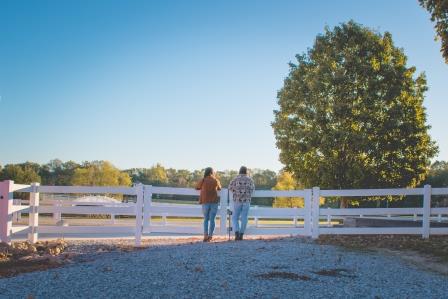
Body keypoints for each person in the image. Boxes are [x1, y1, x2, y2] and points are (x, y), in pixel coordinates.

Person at [228, 166, 255, 241]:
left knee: (234, 217)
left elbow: (229, 187)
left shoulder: (235, 179)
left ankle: (236, 232)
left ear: (239, 171)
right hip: (246, 201)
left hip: (237, 200)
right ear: (246, 171)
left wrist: (235, 191)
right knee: (244, 218)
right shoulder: (250, 180)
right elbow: (253, 189)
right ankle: (241, 234)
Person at [196, 167, 222, 242]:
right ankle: (210, 236)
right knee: (212, 219)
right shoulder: (215, 180)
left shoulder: (203, 180)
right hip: (214, 202)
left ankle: (205, 235)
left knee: (206, 219)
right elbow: (220, 188)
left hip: (205, 201)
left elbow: (197, 187)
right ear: (212, 172)